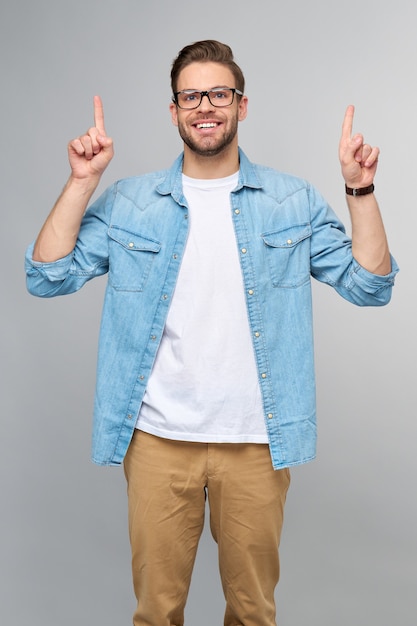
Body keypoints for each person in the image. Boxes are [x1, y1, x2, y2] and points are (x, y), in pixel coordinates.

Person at [25, 40, 398, 626]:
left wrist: (361, 190)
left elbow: (370, 286)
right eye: (191, 95)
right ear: (173, 109)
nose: (206, 106)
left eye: (219, 93)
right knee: (156, 613)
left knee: (252, 613)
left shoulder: (290, 201)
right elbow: (46, 276)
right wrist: (81, 182)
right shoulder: (130, 202)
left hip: (255, 443)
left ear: (241, 105)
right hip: (155, 443)